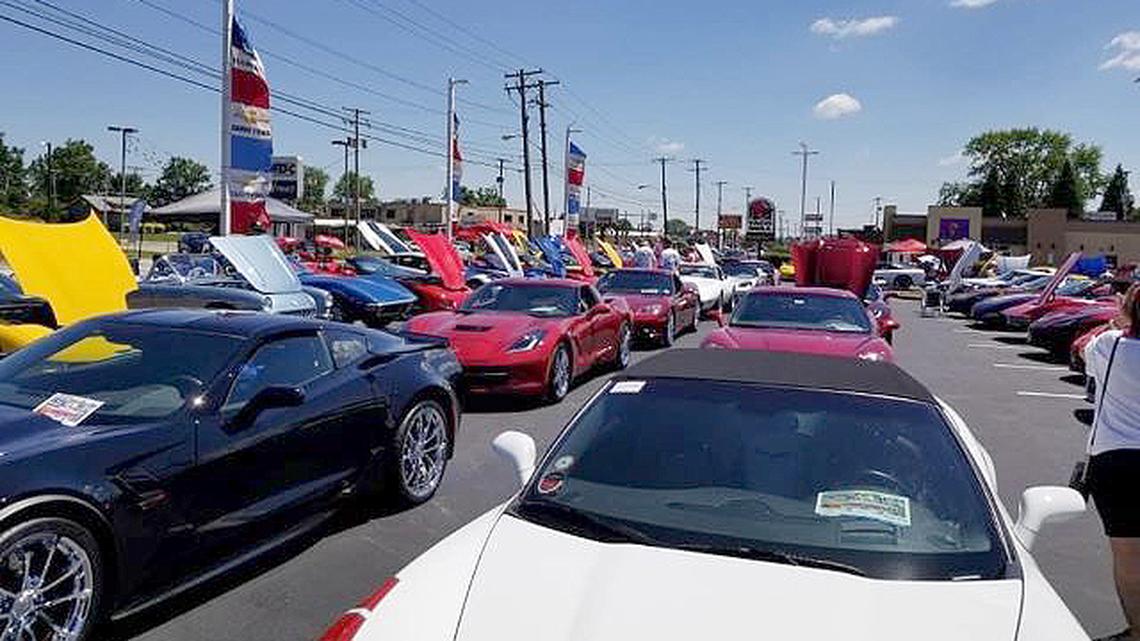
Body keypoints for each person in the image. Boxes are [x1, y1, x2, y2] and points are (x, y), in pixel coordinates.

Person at [1085, 283, 1140, 641]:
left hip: (1116, 463)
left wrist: (1119, 322)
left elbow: (1089, 360)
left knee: (1128, 562)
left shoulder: (1110, 345)